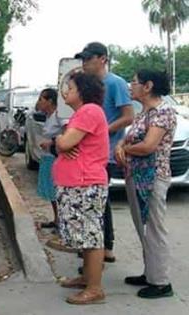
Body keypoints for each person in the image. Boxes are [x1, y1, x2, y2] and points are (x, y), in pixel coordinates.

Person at [116, 70, 176, 299]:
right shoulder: (144, 113)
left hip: (153, 178)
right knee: (143, 226)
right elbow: (130, 137)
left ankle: (161, 281)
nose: (131, 85)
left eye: (134, 81)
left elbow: (148, 146)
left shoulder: (163, 112)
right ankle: (150, 272)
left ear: (148, 86)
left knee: (154, 228)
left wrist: (124, 149)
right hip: (137, 176)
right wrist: (122, 144)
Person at [54, 72, 109, 304]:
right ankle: (87, 277)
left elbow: (65, 143)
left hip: (85, 183)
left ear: (83, 91)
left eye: (71, 88)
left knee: (91, 235)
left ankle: (95, 288)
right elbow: (64, 145)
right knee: (84, 235)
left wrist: (60, 140)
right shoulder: (83, 113)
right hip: (77, 182)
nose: (66, 92)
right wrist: (62, 142)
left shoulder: (89, 111)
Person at [75, 42, 133, 263]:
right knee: (90, 202)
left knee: (99, 202)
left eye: (88, 59)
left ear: (102, 59)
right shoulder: (87, 85)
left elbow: (128, 116)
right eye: (83, 59)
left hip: (105, 153)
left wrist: (101, 131)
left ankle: (105, 247)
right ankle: (93, 247)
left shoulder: (115, 83)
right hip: (86, 153)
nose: (85, 63)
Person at [36, 88, 64, 230]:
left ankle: (62, 222)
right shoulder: (48, 116)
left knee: (57, 191)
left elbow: (67, 132)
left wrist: (52, 142)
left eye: (42, 99)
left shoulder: (60, 115)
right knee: (51, 191)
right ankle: (57, 219)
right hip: (47, 157)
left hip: (55, 157)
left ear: (50, 101)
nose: (39, 102)